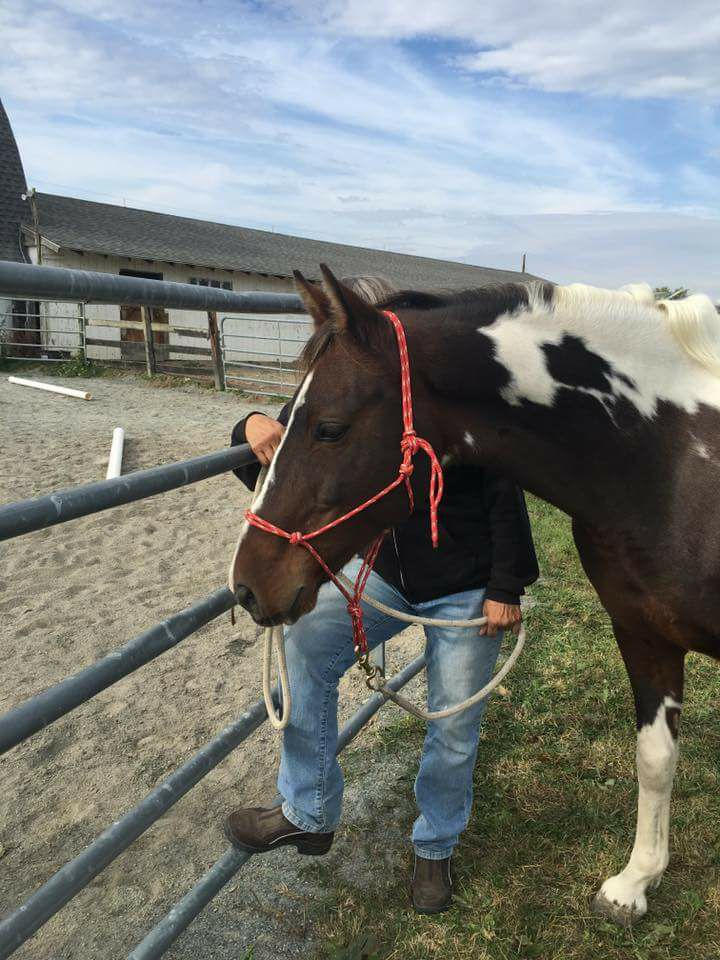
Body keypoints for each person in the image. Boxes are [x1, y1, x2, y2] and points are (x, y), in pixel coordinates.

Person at [225, 276, 539, 914]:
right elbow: (296, 450)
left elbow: (506, 491)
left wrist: (506, 586)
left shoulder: (450, 398)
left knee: (452, 723)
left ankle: (434, 848)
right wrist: (250, 422)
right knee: (308, 645)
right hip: (387, 574)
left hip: (467, 583)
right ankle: (308, 809)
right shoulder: (357, 392)